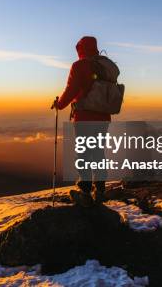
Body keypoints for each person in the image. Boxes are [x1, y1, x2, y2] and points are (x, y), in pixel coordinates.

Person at [52, 36, 118, 207]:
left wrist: (59, 104)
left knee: (84, 153)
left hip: (84, 117)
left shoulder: (79, 65)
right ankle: (100, 189)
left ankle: (85, 190)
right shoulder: (105, 65)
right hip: (103, 117)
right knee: (98, 152)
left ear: (80, 49)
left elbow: (71, 89)